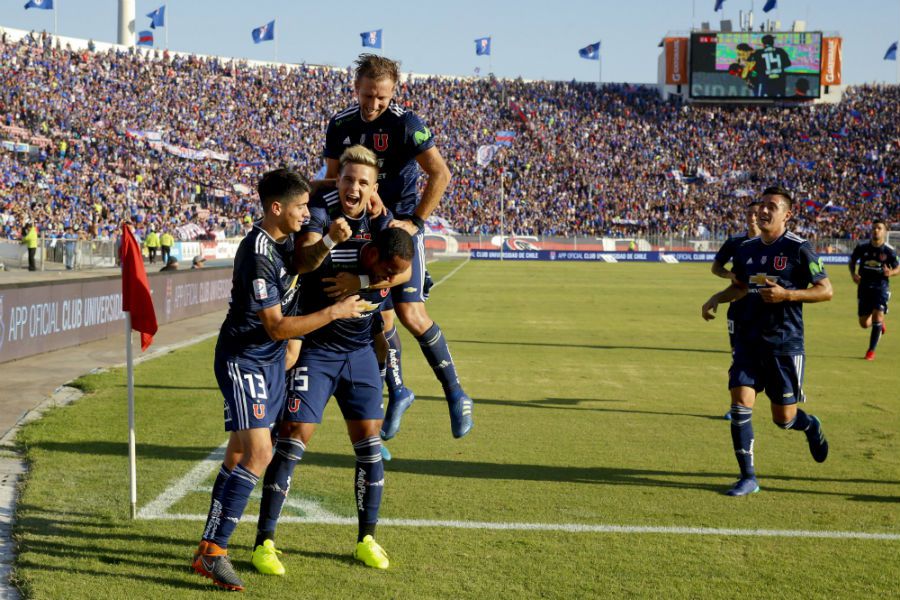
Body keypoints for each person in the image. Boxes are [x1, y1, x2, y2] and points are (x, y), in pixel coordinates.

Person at [191, 168, 367, 592]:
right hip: (244, 358)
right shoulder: (256, 253)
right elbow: (273, 325)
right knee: (259, 453)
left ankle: (205, 547)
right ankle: (215, 553)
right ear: (276, 209)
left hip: (269, 361)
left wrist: (328, 241)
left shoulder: (284, 239)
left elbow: (302, 263)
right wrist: (332, 313)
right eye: (301, 207)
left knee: (237, 456)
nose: (308, 213)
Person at [251, 146, 413, 576]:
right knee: (290, 445)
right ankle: (264, 543)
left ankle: (367, 539)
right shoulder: (320, 212)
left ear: (373, 188)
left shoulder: (381, 221)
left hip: (360, 352)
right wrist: (330, 241)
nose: (354, 188)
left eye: (363, 182)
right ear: (337, 180)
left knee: (370, 450)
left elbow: (403, 271)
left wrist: (359, 279)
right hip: (317, 349)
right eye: (347, 179)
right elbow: (303, 262)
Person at [324, 54, 473, 442]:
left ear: (393, 93)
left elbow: (440, 173)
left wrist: (416, 222)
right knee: (378, 318)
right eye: (368, 95)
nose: (374, 104)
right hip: (364, 228)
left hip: (397, 228)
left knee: (411, 314)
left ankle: (455, 393)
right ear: (355, 87)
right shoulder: (340, 125)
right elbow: (330, 180)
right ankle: (399, 392)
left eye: (382, 98)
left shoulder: (407, 124)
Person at [701, 186, 832, 497]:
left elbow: (825, 290)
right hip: (748, 340)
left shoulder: (799, 248)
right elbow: (742, 288)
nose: (763, 210)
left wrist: (788, 294)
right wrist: (717, 298)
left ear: (787, 214)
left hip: (784, 344)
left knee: (783, 419)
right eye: (761, 204)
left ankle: (810, 425)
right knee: (739, 401)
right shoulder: (746, 249)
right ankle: (748, 477)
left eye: (771, 206)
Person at [710, 200, 761, 419]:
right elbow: (716, 267)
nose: (752, 218)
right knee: (737, 357)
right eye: (749, 214)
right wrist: (730, 276)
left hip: (764, 310)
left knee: (762, 359)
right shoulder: (735, 242)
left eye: (756, 214)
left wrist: (752, 280)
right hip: (737, 307)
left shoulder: (774, 244)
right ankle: (738, 406)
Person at [849, 218, 899, 360]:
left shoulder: (889, 251)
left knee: (878, 313)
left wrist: (891, 272)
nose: (876, 230)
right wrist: (853, 274)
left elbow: (897, 267)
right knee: (864, 323)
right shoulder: (862, 247)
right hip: (864, 286)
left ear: (884, 231)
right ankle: (879, 323)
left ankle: (871, 351)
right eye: (874, 228)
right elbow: (852, 261)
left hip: (881, 287)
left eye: (879, 228)